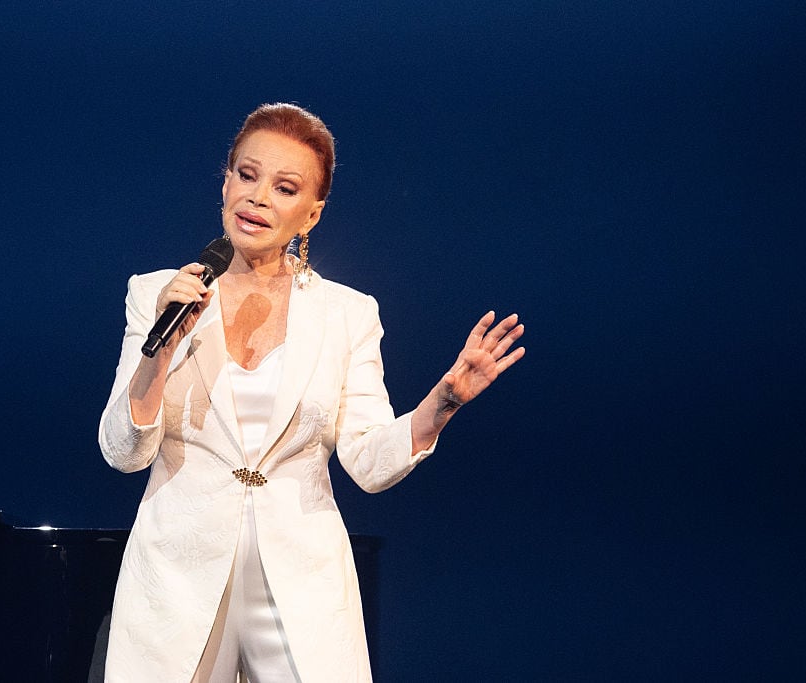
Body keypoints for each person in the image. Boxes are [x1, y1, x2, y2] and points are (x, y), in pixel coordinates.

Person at [98, 103, 525, 683]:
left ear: (311, 215)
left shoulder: (347, 314)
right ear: (224, 182)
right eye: (246, 176)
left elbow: (368, 462)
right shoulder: (157, 294)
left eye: (284, 187)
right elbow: (124, 452)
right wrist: (163, 347)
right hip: (179, 577)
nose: (257, 198)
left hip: (301, 585)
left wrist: (442, 402)